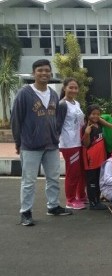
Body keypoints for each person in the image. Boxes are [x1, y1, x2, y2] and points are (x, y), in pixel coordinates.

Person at [11, 59, 73, 226]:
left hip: (51, 144)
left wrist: (56, 135)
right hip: (31, 145)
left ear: (50, 73)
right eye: (40, 70)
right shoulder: (24, 93)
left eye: (47, 70)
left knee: (53, 177)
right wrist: (18, 142)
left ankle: (53, 206)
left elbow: (57, 118)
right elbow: (16, 119)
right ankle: (25, 212)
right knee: (29, 180)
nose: (44, 73)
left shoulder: (53, 94)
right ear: (33, 73)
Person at [57, 77, 86, 210]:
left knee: (81, 171)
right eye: (71, 87)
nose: (73, 90)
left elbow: (81, 123)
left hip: (79, 142)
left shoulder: (76, 103)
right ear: (64, 88)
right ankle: (70, 200)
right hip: (69, 144)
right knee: (72, 172)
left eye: (75, 88)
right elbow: (57, 125)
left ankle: (81, 196)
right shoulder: (62, 104)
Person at [82, 104, 107, 210]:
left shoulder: (99, 125)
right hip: (91, 159)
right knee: (92, 181)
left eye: (97, 114)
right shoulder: (86, 127)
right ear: (88, 115)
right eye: (93, 114)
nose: (95, 116)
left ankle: (97, 200)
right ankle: (93, 203)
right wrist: (87, 133)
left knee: (98, 180)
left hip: (99, 159)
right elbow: (86, 144)